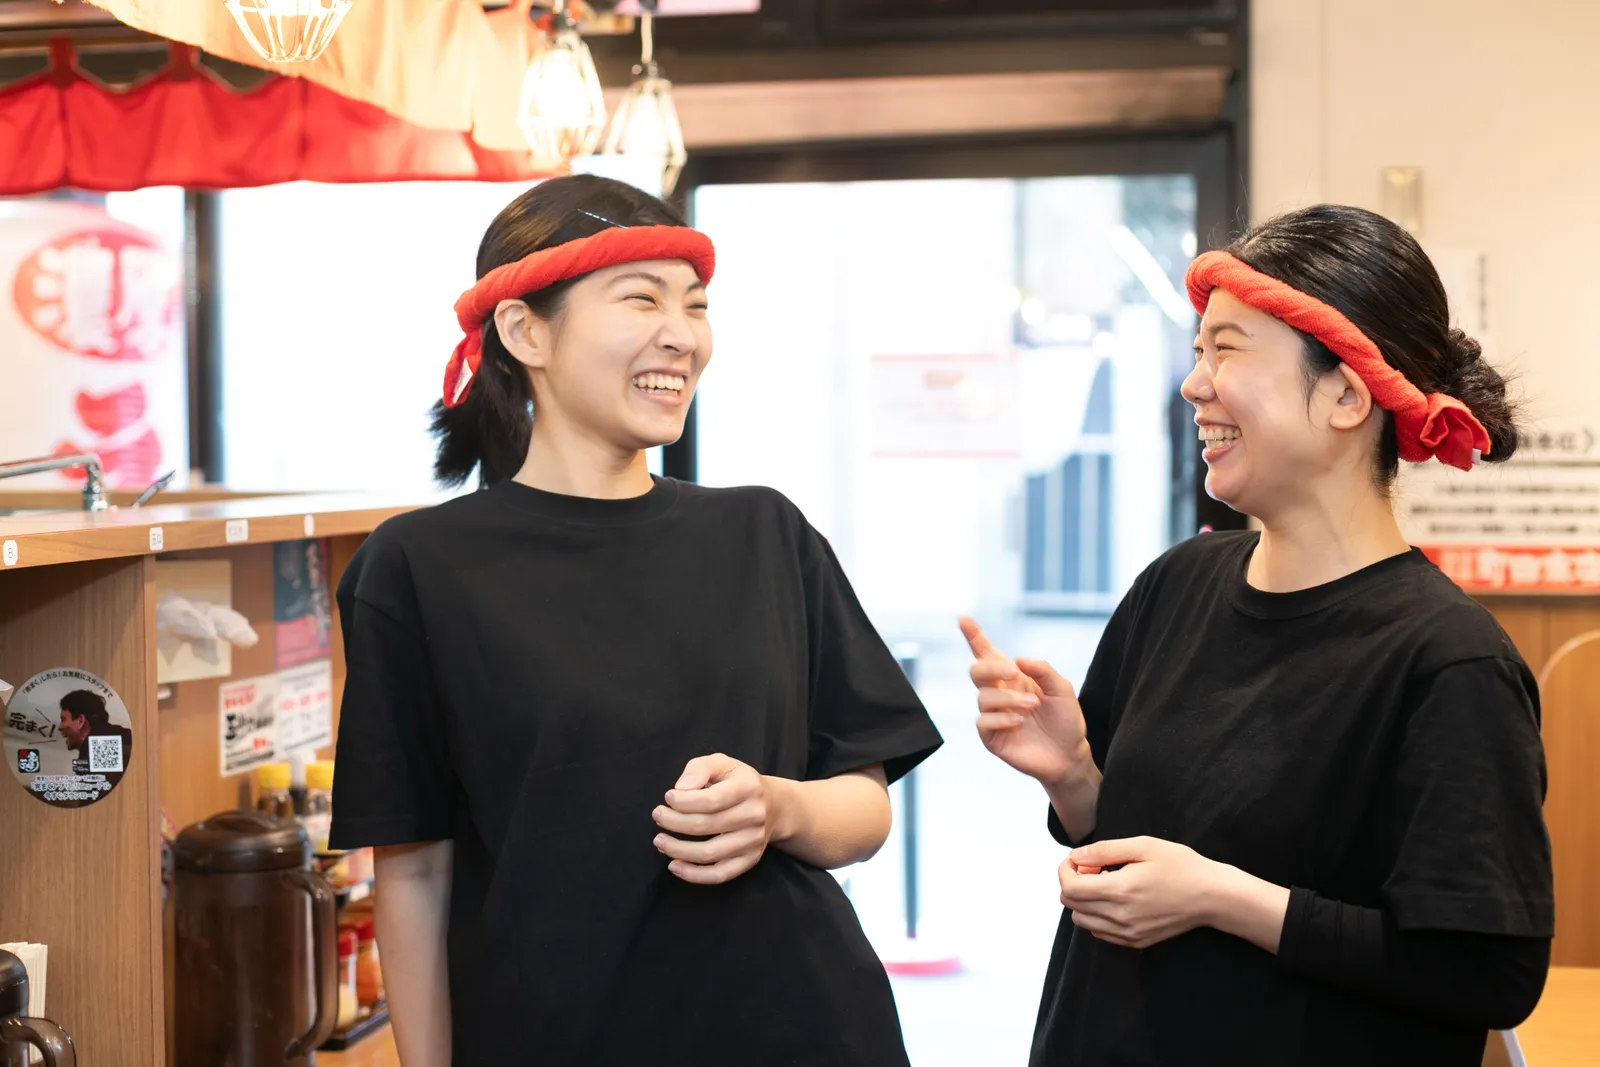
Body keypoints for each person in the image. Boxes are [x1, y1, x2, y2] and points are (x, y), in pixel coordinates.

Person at [328, 175, 942, 1066]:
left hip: (801, 1026)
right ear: (524, 329)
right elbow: (415, 869)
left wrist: (777, 806)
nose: (681, 334)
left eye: (694, 305)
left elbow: (863, 808)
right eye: (641, 298)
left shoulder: (764, 532)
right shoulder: (418, 566)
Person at [962, 204, 1553, 1066]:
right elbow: (1131, 848)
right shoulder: (1178, 585)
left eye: (1227, 349)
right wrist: (1078, 778)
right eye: (1198, 351)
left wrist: (1226, 899)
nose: (1194, 384)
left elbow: (1488, 972)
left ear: (1348, 392)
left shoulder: (1447, 659)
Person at [59, 689, 131, 773]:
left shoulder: (103, 749)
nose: (60, 727)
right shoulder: (116, 740)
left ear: (80, 721)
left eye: (63, 719)